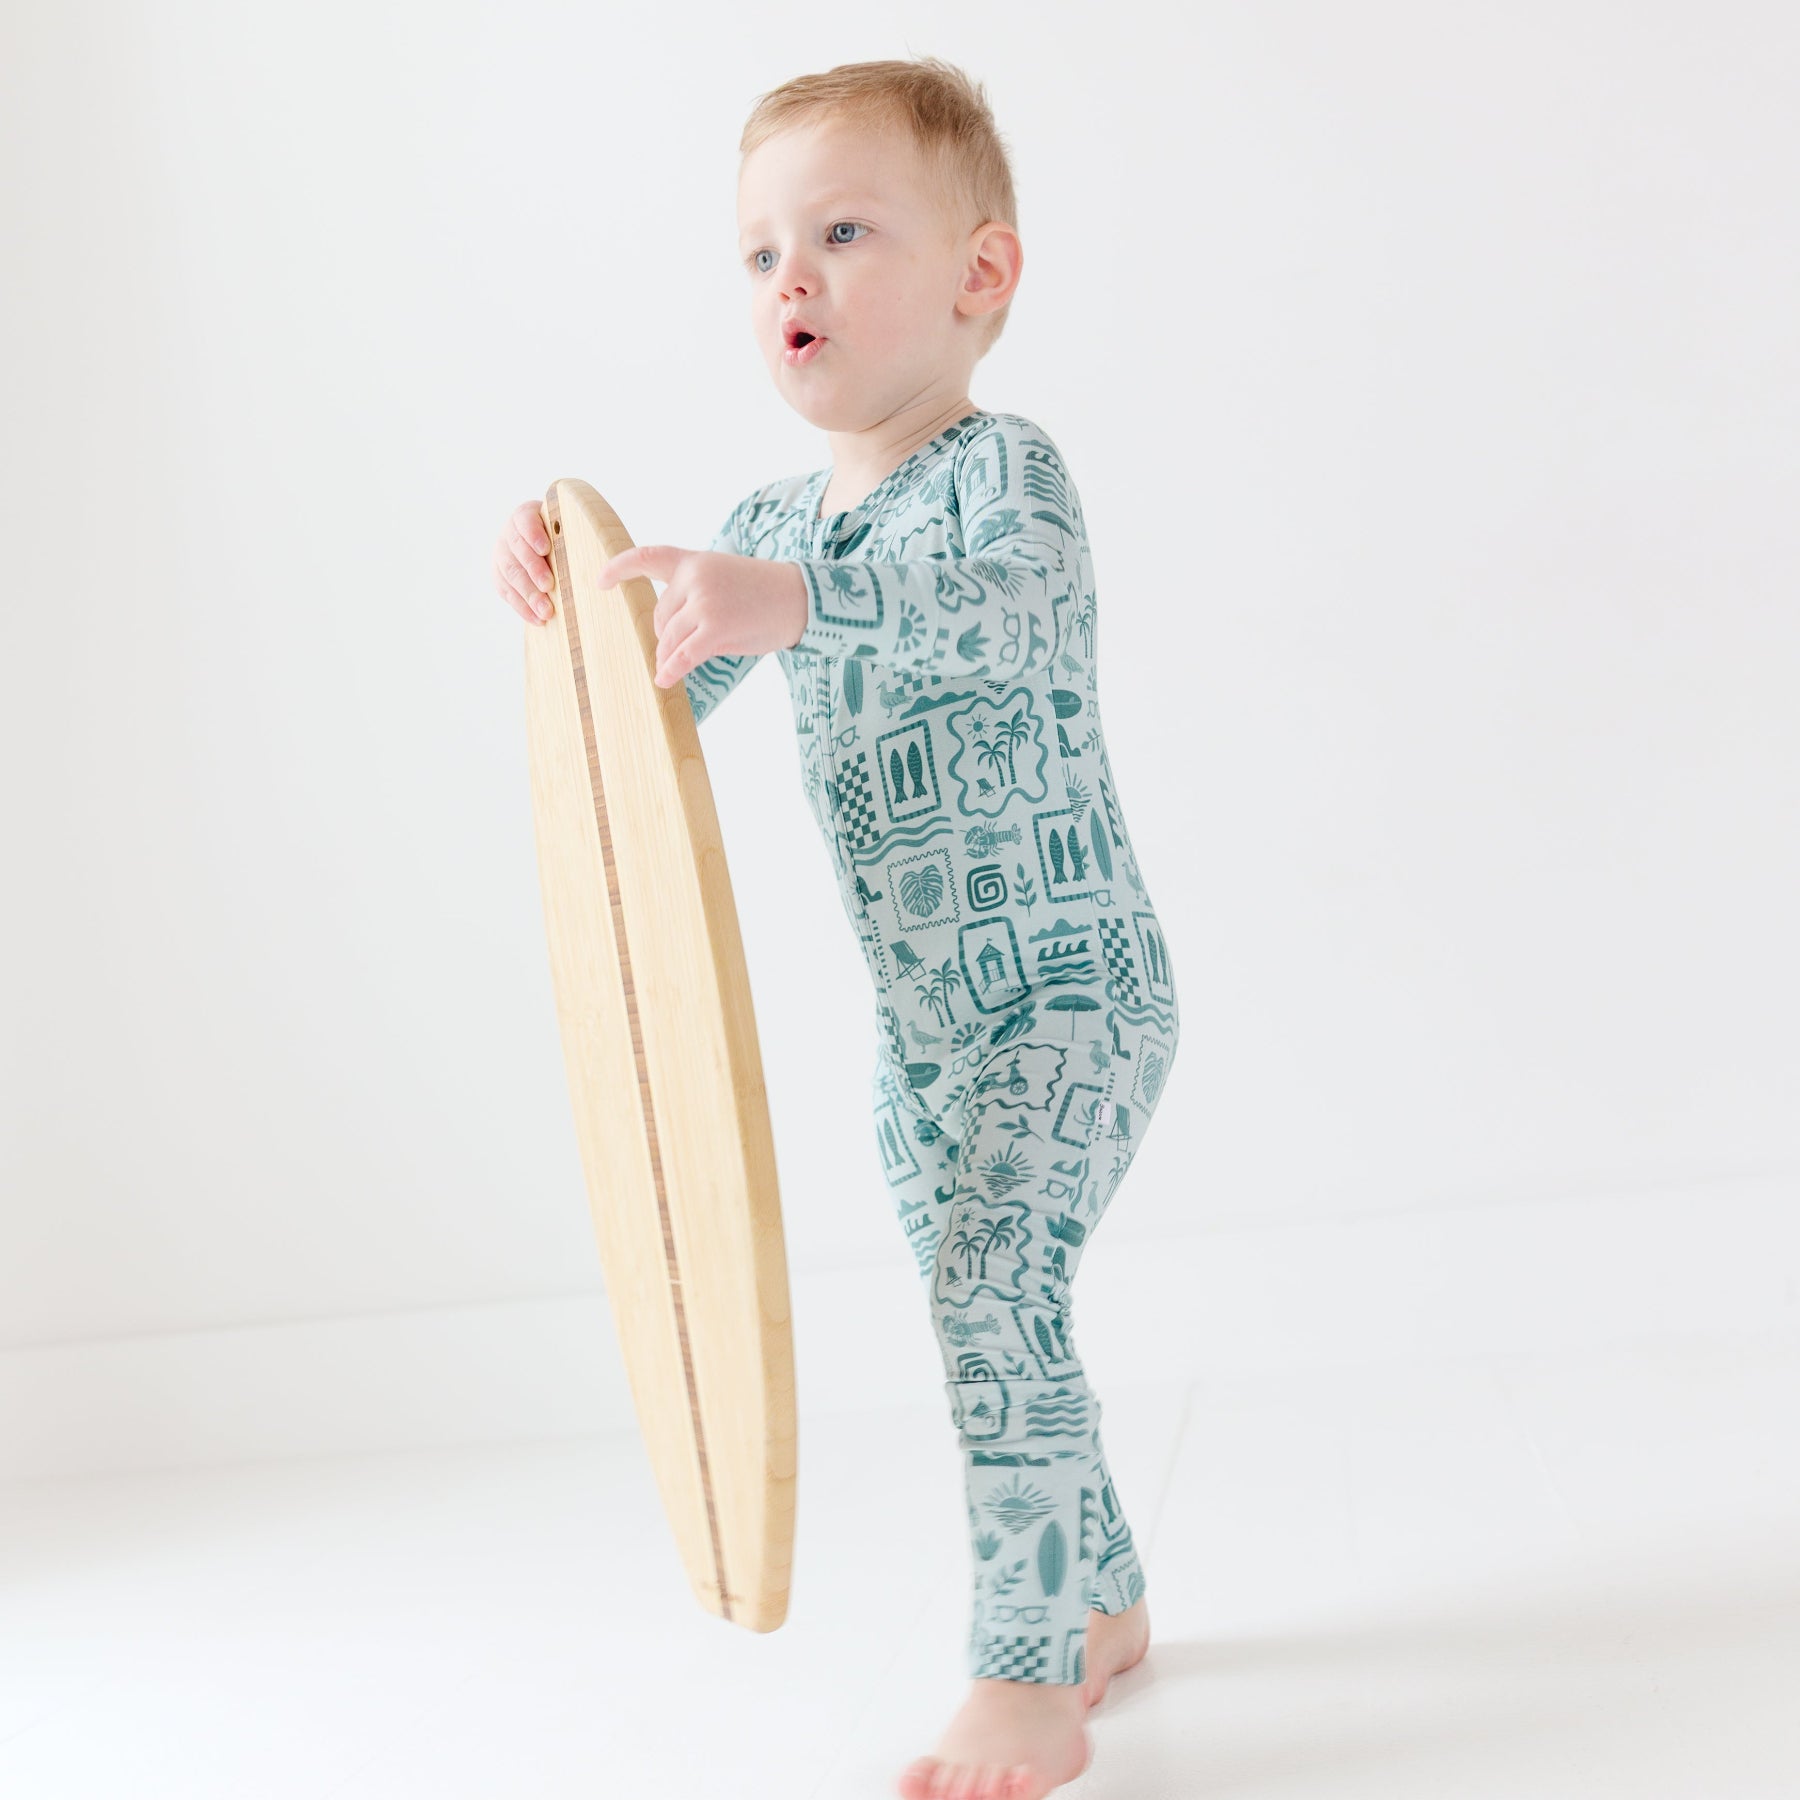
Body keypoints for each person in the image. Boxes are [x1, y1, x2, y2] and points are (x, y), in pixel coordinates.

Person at [491, 55, 1180, 1800]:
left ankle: (1022, 1676)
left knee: (987, 1287)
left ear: (981, 276)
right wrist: (580, 607)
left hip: (1070, 998)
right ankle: (1096, 1597)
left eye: (844, 231)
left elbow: (983, 617)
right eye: (757, 252)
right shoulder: (770, 526)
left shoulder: (1004, 482)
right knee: (996, 1308)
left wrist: (782, 602)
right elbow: (656, 725)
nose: (788, 277)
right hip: (922, 1038)